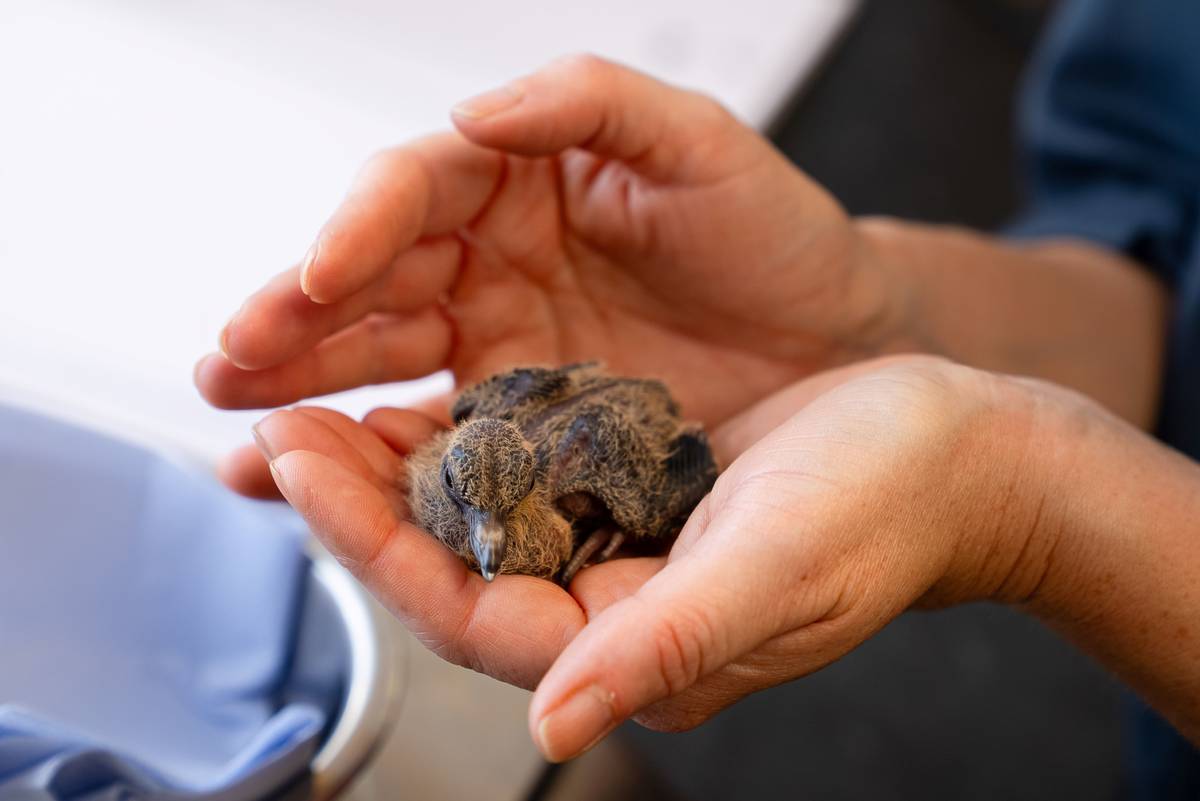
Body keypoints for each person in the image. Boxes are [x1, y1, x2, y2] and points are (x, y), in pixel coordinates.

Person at [194, 0, 1200, 793]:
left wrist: (1032, 503)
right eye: (479, 509)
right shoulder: (483, 440)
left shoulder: (591, 484)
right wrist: (890, 318)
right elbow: (1160, 190)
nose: (492, 544)